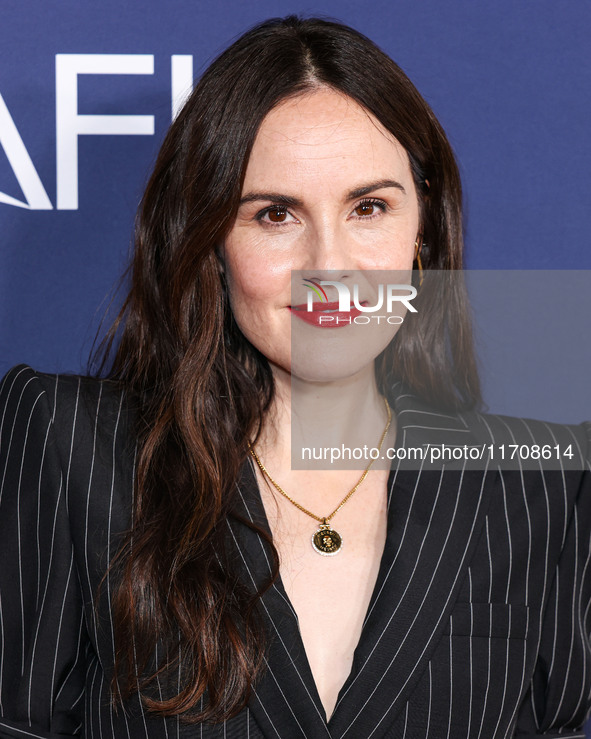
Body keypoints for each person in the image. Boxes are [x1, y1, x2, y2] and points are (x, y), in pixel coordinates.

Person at [0, 15, 590, 739]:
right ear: (209, 240)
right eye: (276, 214)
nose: (329, 264)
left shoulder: (542, 487)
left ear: (420, 231)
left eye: (368, 207)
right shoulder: (72, 449)